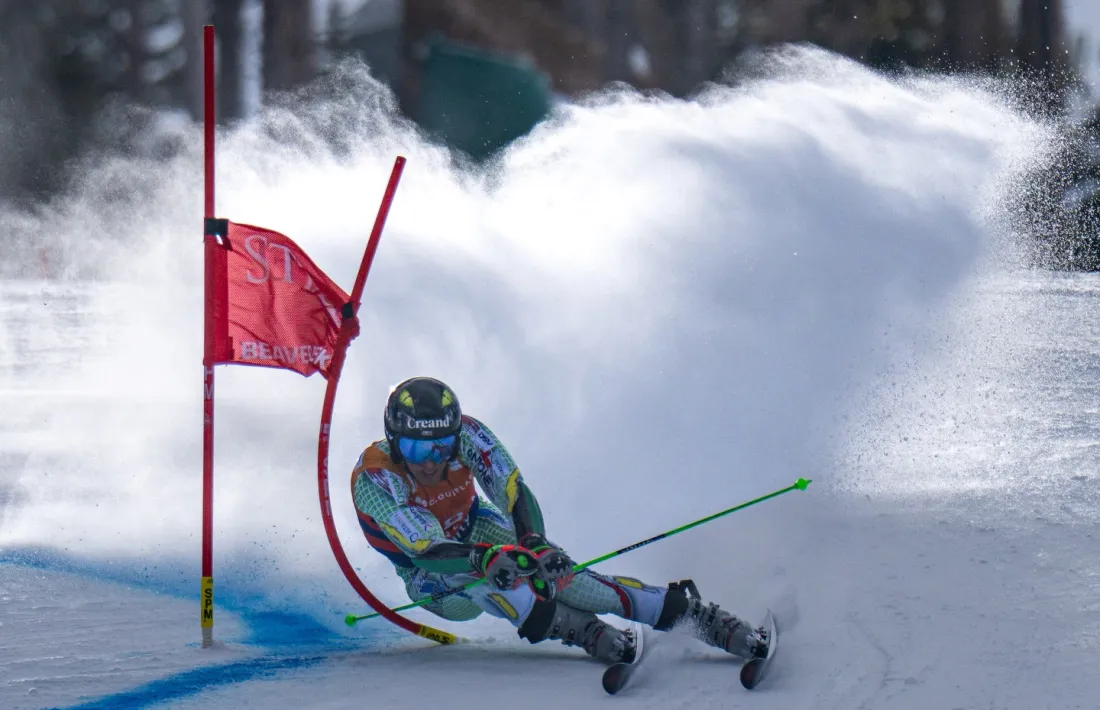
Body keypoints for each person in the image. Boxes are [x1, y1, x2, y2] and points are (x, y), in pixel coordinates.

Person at [350, 376, 769, 664]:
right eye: (417, 449)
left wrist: (534, 541)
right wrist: (484, 558)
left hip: (474, 525)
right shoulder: (376, 478)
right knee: (487, 580)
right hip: (429, 574)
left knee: (562, 577)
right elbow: (426, 550)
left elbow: (513, 491)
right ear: (394, 441)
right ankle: (581, 630)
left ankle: (698, 616)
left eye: (442, 446)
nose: (432, 461)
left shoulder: (469, 436)